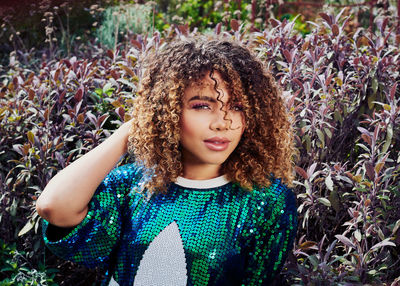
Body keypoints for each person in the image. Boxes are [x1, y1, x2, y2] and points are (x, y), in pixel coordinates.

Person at [36, 36, 298, 286]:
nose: (222, 123)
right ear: (167, 111)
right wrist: (128, 132)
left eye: (238, 107)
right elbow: (53, 207)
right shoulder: (133, 183)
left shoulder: (267, 199)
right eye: (202, 106)